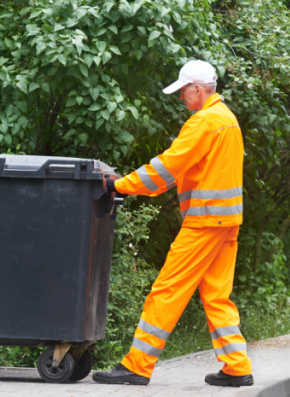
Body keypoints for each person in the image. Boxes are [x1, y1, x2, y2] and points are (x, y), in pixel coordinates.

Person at [93, 60, 254, 387]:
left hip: (205, 221)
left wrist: (120, 185)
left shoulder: (204, 122)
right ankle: (236, 366)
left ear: (197, 88)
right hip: (227, 222)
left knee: (167, 290)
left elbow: (168, 167)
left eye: (183, 90)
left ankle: (137, 365)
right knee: (216, 295)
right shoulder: (228, 119)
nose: (181, 97)